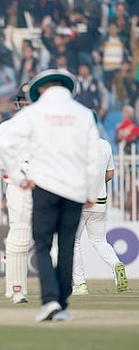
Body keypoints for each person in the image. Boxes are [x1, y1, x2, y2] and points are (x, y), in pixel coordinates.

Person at [0, 69, 101, 322]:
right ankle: (63, 304)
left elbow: (3, 146)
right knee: (66, 246)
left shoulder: (33, 112)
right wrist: (91, 191)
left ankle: (50, 301)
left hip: (44, 186)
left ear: (41, 90)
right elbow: (93, 156)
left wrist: (18, 177)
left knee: (43, 245)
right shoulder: (84, 114)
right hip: (75, 190)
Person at [72, 119, 128, 295]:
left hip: (80, 201)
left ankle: (80, 284)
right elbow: (110, 174)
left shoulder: (76, 145)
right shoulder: (104, 145)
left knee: (74, 242)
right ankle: (115, 264)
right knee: (99, 241)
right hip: (100, 202)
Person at [0, 83, 32, 304]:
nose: (24, 103)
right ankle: (16, 289)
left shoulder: (46, 125)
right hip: (19, 186)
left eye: (28, 99)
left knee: (53, 237)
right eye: (22, 100)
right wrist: (18, 172)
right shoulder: (7, 127)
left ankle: (60, 288)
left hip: (47, 185)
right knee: (20, 234)